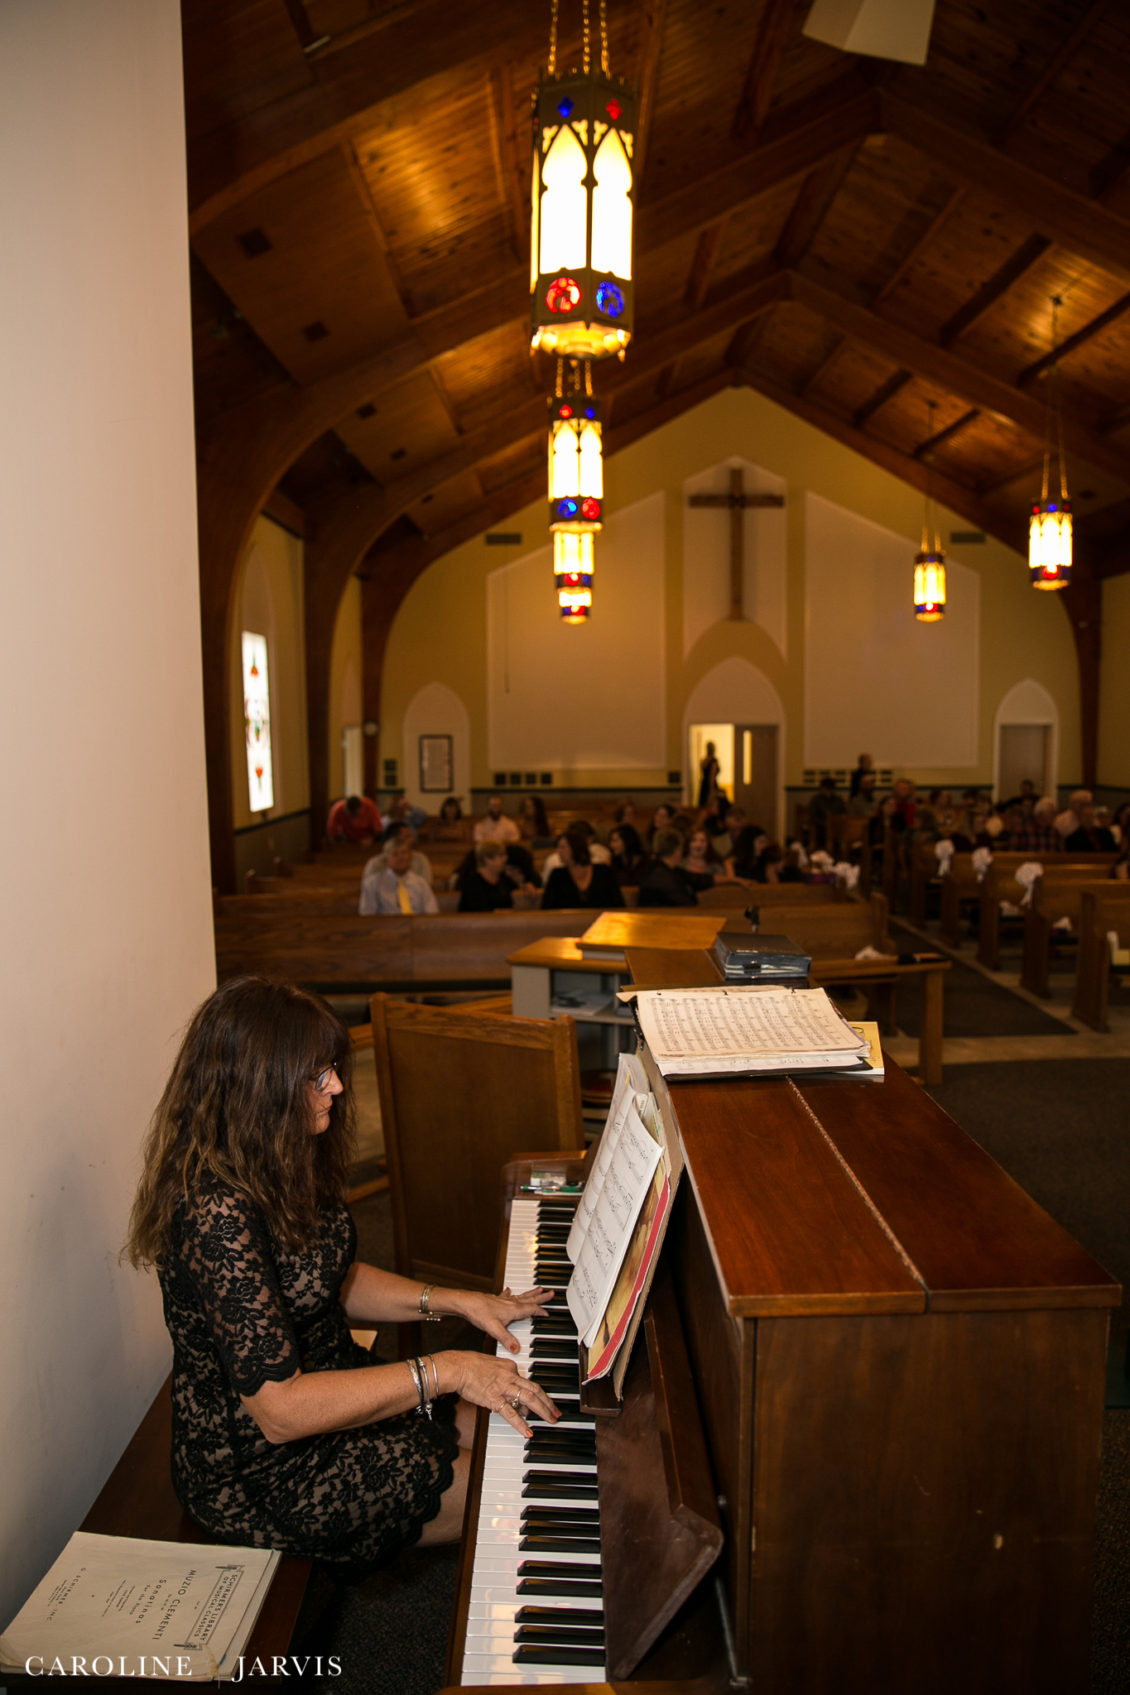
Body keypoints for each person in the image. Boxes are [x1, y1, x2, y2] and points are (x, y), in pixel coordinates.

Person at [123, 978, 558, 1571]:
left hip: (335, 1381)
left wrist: (457, 1302)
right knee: (520, 1491)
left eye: (330, 1066)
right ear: (257, 1088)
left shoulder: (277, 1153)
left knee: (519, 1436)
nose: (336, 1085)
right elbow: (281, 1412)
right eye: (315, 1074)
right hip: (264, 1467)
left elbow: (331, 1277)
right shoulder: (212, 1212)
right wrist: (447, 1368)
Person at [541, 824, 624, 910]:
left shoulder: (604, 872)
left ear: (575, 848)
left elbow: (619, 905)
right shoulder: (557, 875)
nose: (558, 851)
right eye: (558, 847)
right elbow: (546, 909)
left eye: (562, 847)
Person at [359, 832, 438, 914]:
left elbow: (431, 913)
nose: (401, 858)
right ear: (386, 859)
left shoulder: (421, 883)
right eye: (395, 854)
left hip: (417, 925)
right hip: (385, 926)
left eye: (404, 853)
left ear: (410, 857)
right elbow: (367, 914)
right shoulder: (373, 883)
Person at [638, 828, 699, 906]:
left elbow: (695, 878)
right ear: (676, 850)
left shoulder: (662, 868)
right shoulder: (661, 875)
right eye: (681, 848)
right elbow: (685, 905)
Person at [457, 841, 514, 912]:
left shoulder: (504, 879)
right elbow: (477, 909)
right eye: (501, 855)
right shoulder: (472, 881)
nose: (506, 858)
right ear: (487, 859)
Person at [608, 822, 647, 887]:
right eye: (611, 841)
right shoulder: (615, 862)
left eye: (615, 841)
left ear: (627, 841)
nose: (611, 845)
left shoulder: (644, 862)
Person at [697, 741, 721, 809]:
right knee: (711, 805)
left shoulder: (704, 761)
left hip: (704, 784)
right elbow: (712, 776)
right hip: (710, 785)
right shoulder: (713, 761)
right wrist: (712, 790)